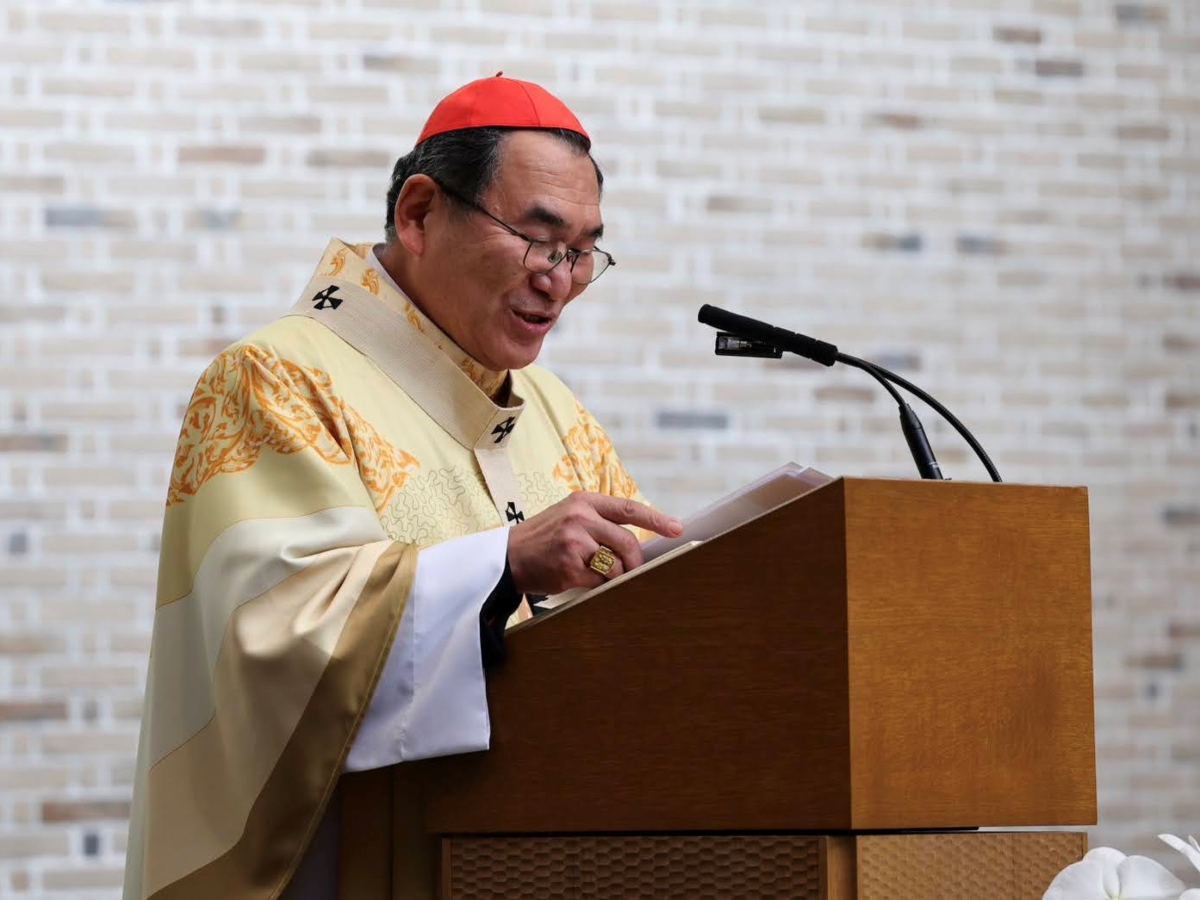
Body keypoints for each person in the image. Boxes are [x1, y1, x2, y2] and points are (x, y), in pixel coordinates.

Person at [122, 75, 682, 900]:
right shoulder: (276, 379)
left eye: (581, 252)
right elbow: (271, 636)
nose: (559, 281)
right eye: (537, 239)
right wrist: (501, 563)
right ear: (419, 213)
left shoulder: (559, 414)